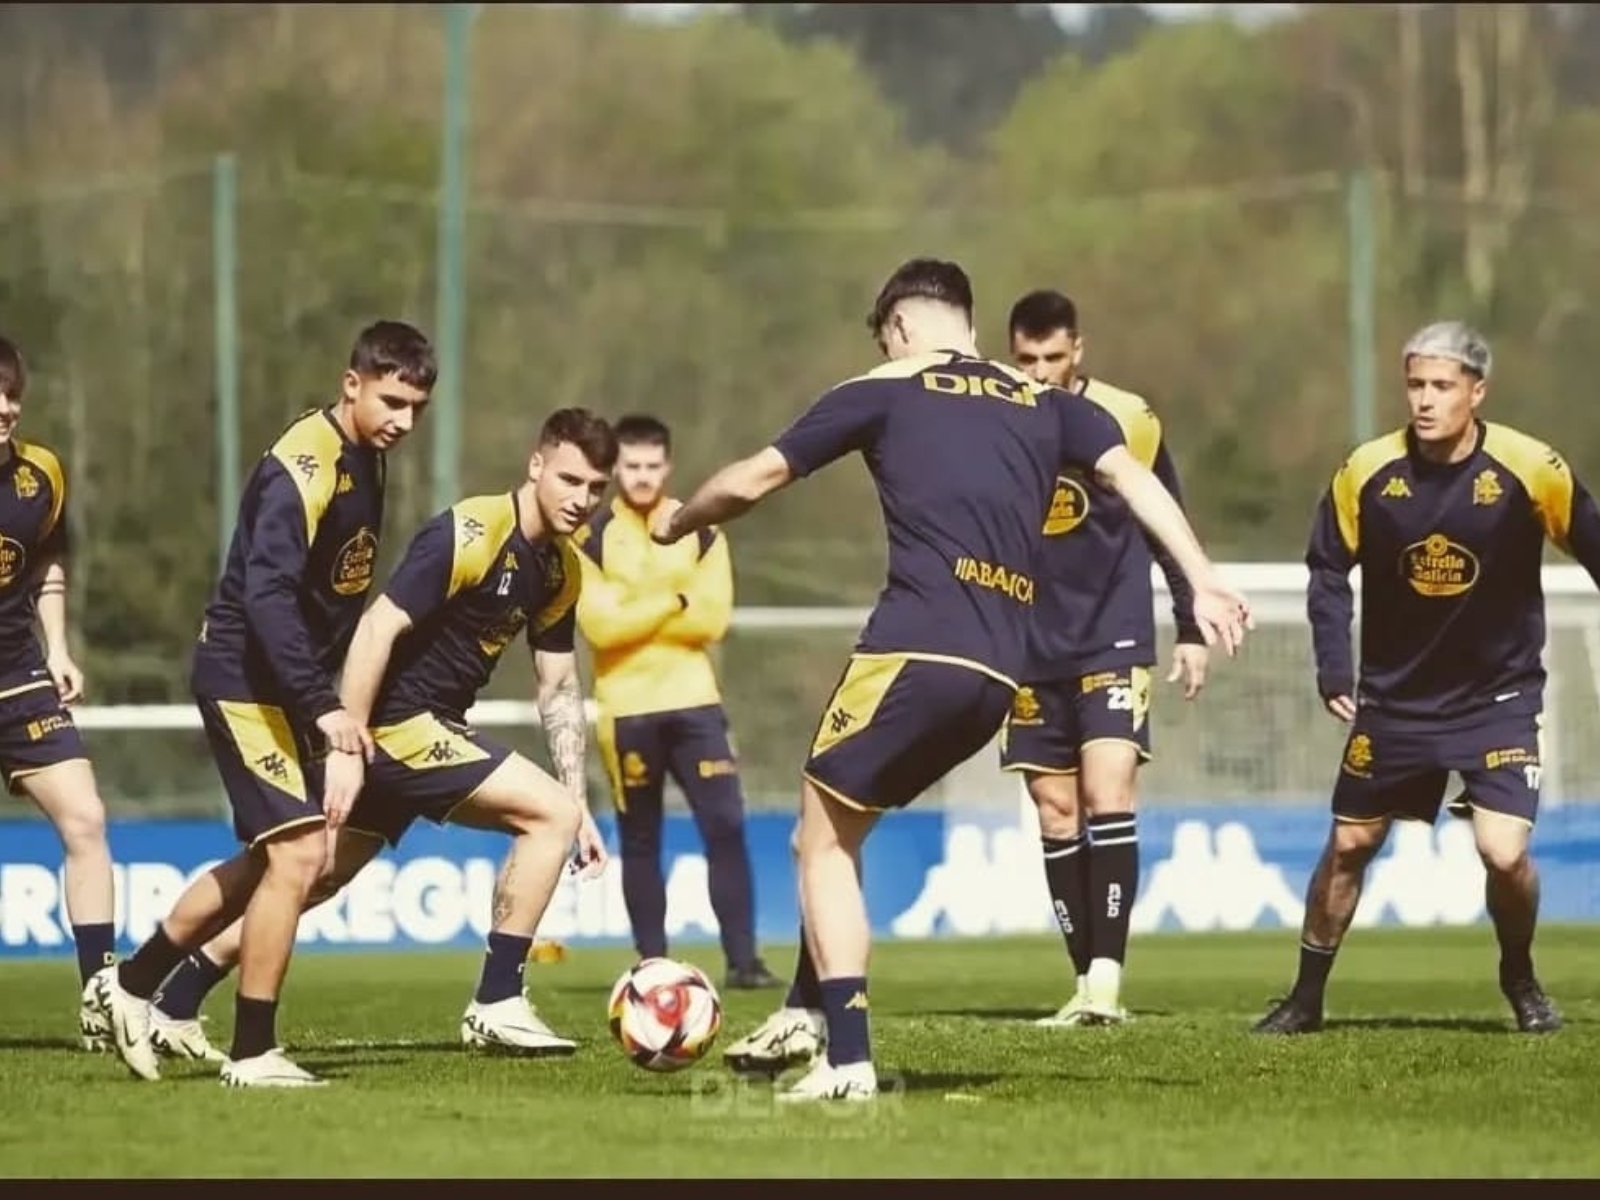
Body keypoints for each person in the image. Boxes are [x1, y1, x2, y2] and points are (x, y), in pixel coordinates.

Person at [657, 257, 1250, 1101]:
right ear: (972, 327)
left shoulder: (884, 386)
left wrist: (682, 517)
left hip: (912, 649)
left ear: (898, 328)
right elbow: (1135, 482)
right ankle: (809, 1013)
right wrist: (1202, 577)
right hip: (1001, 672)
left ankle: (848, 1055)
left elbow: (754, 480)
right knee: (841, 831)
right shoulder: (1053, 403)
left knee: (817, 837)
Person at [142, 410, 616, 1065]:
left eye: (595, 488)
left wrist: (579, 795)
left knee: (306, 877)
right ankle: (498, 1001)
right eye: (570, 479)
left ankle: (174, 997)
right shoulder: (471, 531)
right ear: (536, 465)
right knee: (547, 818)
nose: (580, 499)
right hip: (397, 724)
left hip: (427, 729)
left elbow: (559, 687)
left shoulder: (563, 571)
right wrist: (349, 747)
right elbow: (375, 631)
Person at [90, 320, 435, 1086]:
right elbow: (267, 598)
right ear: (352, 383)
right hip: (244, 678)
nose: (404, 422)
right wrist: (327, 710)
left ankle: (134, 984)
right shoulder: (302, 467)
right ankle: (253, 1052)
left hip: (286, 685)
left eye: (416, 408)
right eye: (391, 401)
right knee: (302, 854)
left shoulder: (368, 459)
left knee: (267, 861)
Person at [1254, 320, 1598, 1036]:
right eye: (1416, 384)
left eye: (1442, 386)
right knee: (1350, 845)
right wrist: (1332, 663)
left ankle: (1519, 974)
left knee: (1504, 855)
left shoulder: (1531, 468)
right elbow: (1325, 568)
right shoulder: (1368, 471)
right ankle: (1306, 998)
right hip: (1396, 703)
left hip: (1497, 701)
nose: (1425, 399)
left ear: (1477, 391)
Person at [999, 290, 1208, 1027]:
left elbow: (1165, 517)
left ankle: (1109, 981)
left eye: (1053, 359)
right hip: (1026, 645)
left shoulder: (1128, 419)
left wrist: (1190, 624)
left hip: (1111, 635)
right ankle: (1084, 984)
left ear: (1077, 351)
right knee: (1056, 811)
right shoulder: (994, 415)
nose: (1040, 373)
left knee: (1108, 790)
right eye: (1026, 360)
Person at [573, 414, 779, 990]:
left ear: (668, 465)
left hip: (695, 704)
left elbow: (713, 620)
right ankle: (653, 964)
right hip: (626, 710)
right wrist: (673, 599)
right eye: (630, 466)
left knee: (726, 826)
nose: (641, 476)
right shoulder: (589, 537)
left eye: (651, 465)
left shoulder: (703, 529)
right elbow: (600, 628)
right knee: (640, 838)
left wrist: (637, 605)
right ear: (615, 468)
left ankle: (743, 961)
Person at [0, 334, 119, 1050]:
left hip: (18, 676)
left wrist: (61, 647)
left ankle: (100, 995)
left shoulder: (41, 474)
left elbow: (45, 562)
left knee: (86, 818)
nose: (5, 408)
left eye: (11, 394)